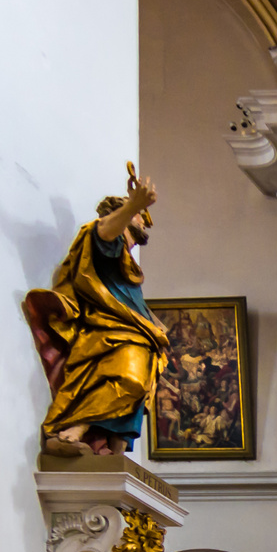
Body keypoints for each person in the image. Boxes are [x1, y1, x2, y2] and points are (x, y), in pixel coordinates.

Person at [23, 175, 169, 455]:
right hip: (112, 331)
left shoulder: (126, 260)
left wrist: (155, 324)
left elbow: (130, 300)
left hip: (138, 332)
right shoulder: (104, 243)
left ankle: (115, 449)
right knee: (129, 379)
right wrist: (131, 207)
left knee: (140, 389)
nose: (143, 220)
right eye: (139, 216)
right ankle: (75, 427)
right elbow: (104, 232)